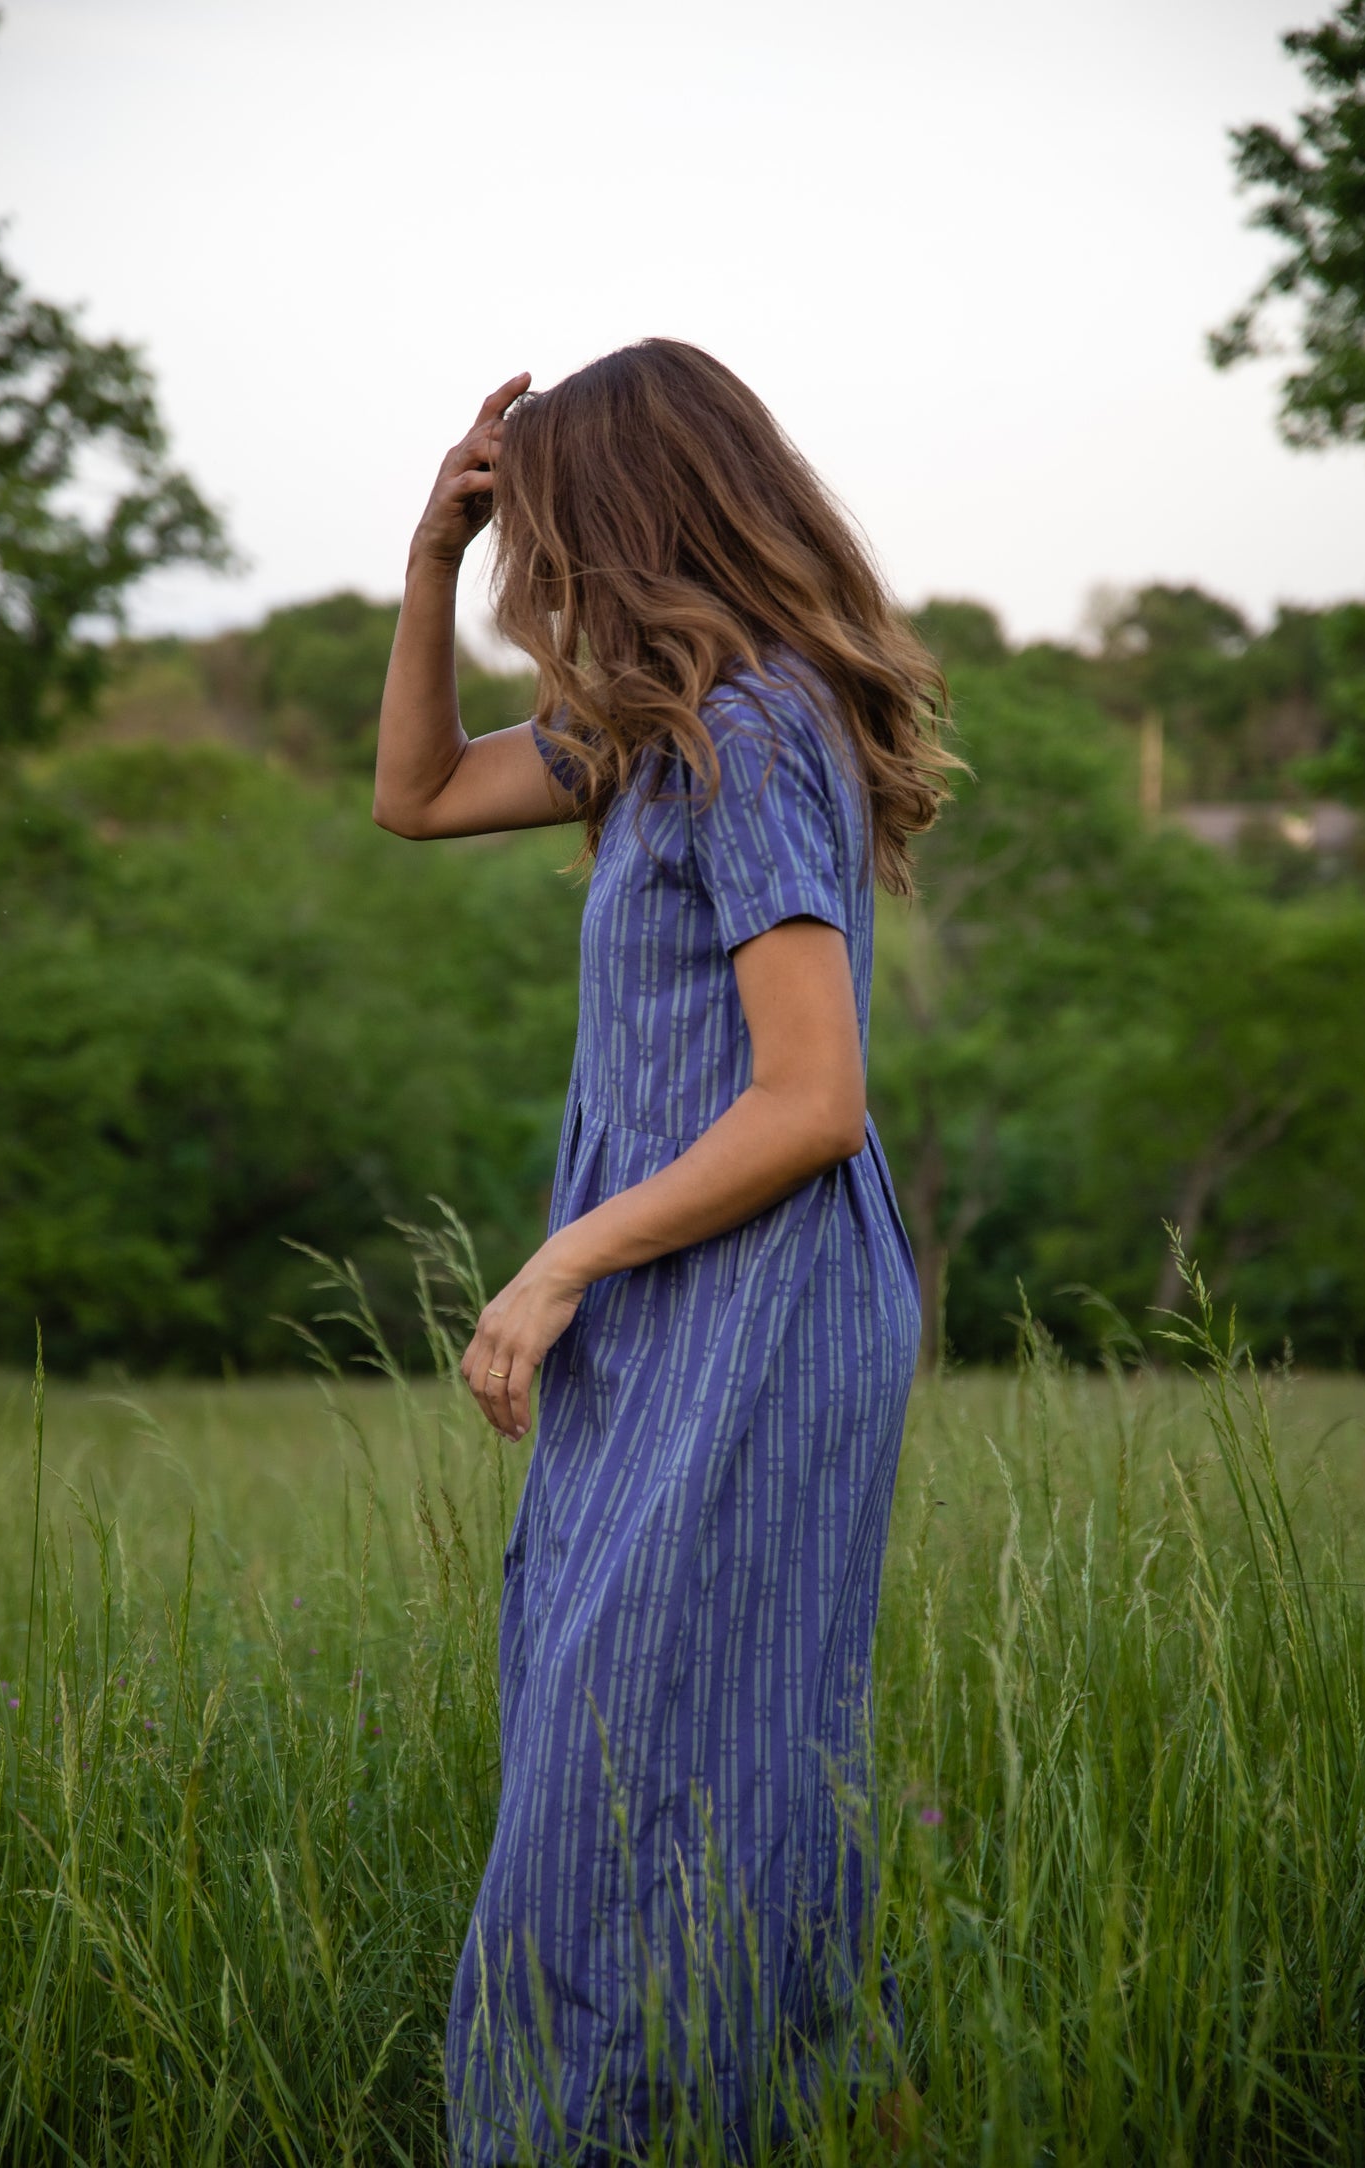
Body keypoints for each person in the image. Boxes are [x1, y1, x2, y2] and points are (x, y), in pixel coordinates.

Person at [374, 340, 954, 2165]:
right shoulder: (647, 733)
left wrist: (557, 1263)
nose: (522, 579)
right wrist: (423, 563)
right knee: (603, 1733)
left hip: (758, 1300)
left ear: (617, 522)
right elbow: (413, 798)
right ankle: (649, 2124)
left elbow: (811, 1101)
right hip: (664, 1303)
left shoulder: (755, 729)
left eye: (535, 537)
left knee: (672, 1748)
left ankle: (658, 2125)